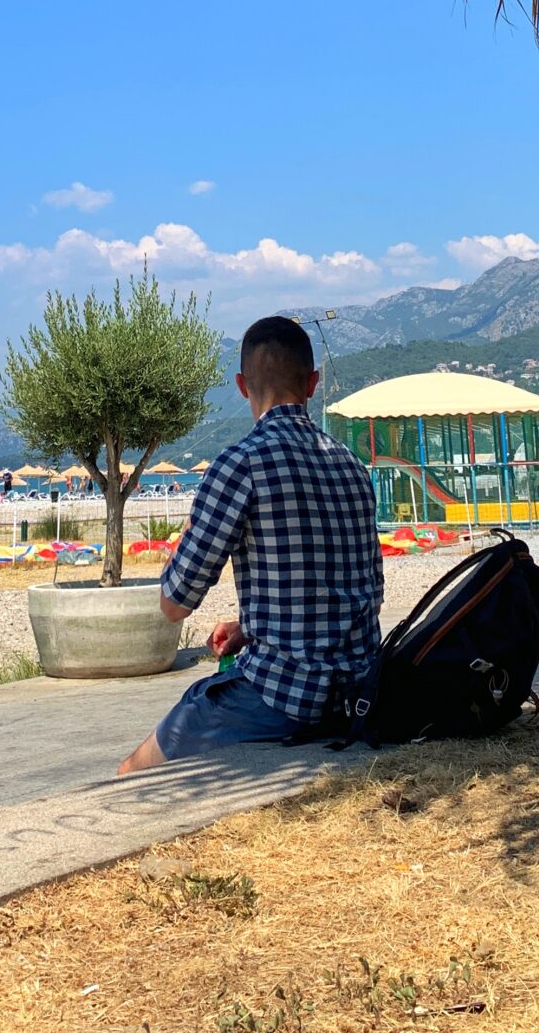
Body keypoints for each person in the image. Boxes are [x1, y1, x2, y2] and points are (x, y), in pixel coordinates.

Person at [118, 315, 382, 775]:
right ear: (313, 383)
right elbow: (352, 588)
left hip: (281, 697)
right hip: (359, 692)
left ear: (242, 386)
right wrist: (249, 625)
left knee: (133, 772)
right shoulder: (351, 465)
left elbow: (174, 603)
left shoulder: (240, 465)